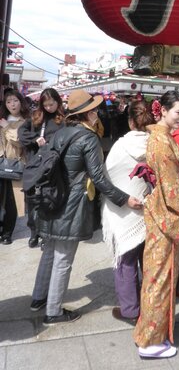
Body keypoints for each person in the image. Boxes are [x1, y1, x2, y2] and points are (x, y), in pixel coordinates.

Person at [30, 89, 142, 325]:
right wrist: (124, 199)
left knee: (50, 251)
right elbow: (99, 178)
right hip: (71, 203)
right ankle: (53, 312)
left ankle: (38, 298)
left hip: (52, 198)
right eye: (95, 110)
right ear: (88, 114)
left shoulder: (61, 132)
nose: (97, 113)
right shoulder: (88, 138)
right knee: (63, 258)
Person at [134, 91, 179, 359]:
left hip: (158, 210)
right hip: (163, 213)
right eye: (178, 112)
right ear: (164, 110)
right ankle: (150, 342)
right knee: (159, 278)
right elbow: (170, 184)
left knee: (156, 276)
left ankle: (148, 335)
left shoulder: (161, 136)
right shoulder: (161, 141)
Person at [101, 100, 154, 325]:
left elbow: (107, 176)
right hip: (150, 211)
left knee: (125, 263)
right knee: (148, 262)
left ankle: (131, 311)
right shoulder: (156, 143)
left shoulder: (120, 146)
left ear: (130, 121)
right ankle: (151, 307)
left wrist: (124, 198)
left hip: (123, 212)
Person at [19, 88, 66, 248]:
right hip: (35, 165)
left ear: (58, 102)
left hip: (53, 167)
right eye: (45, 105)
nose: (48, 108)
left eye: (51, 104)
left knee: (49, 199)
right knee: (33, 200)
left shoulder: (63, 119)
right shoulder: (36, 117)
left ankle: (46, 234)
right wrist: (35, 139)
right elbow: (22, 132)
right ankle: (34, 232)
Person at [0, 89, 30, 244]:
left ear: (21, 102)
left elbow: (19, 142)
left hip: (16, 165)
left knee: (12, 202)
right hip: (1, 163)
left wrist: (7, 127)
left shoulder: (26, 122)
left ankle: (7, 233)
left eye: (15, 100)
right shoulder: (2, 120)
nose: (12, 104)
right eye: (8, 101)